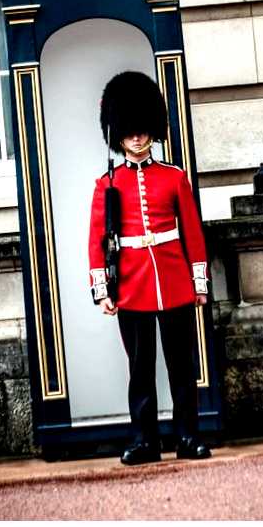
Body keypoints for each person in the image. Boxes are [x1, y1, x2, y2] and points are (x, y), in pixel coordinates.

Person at [88, 70, 211, 465]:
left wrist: (199, 281)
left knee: (181, 365)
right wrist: (103, 291)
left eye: (141, 130)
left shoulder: (174, 178)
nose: (137, 138)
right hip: (132, 286)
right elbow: (97, 242)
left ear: (152, 130)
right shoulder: (106, 185)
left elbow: (192, 232)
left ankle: (188, 435)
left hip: (174, 281)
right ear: (118, 133)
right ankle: (144, 439)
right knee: (140, 370)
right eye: (129, 131)